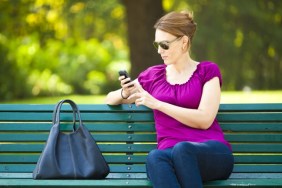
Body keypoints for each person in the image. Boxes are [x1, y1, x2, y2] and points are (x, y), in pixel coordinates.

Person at [105, 10, 234, 188]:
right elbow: (110, 98)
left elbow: (204, 120)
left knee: (182, 149)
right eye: (157, 45)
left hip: (211, 154)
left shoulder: (207, 71)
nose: (159, 51)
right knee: (155, 157)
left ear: (184, 42)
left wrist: (158, 104)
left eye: (164, 45)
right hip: (170, 155)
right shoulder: (153, 76)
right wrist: (125, 93)